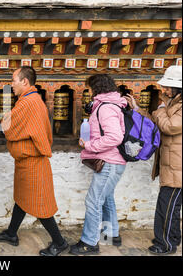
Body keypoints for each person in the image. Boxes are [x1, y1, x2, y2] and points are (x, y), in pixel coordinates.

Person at [0, 66, 68, 256]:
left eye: (14, 80)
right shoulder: (29, 100)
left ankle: (60, 242)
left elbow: (7, 125)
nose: (11, 84)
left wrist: (6, 120)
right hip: (27, 162)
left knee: (41, 204)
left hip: (34, 162)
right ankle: (11, 233)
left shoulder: (28, 102)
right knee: (23, 199)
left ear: (25, 81)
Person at [125, 65, 182, 255]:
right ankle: (173, 238)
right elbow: (153, 123)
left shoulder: (176, 108)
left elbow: (170, 127)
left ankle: (164, 244)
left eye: (167, 87)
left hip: (178, 166)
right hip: (172, 164)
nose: (164, 90)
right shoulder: (171, 105)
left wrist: (160, 110)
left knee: (166, 206)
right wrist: (138, 110)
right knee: (171, 206)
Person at [70, 74, 127, 255]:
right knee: (106, 198)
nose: (88, 92)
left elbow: (115, 137)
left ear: (96, 88)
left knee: (93, 201)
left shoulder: (106, 108)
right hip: (113, 161)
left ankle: (89, 243)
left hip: (108, 162)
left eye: (88, 88)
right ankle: (111, 234)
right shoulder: (111, 105)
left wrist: (88, 145)